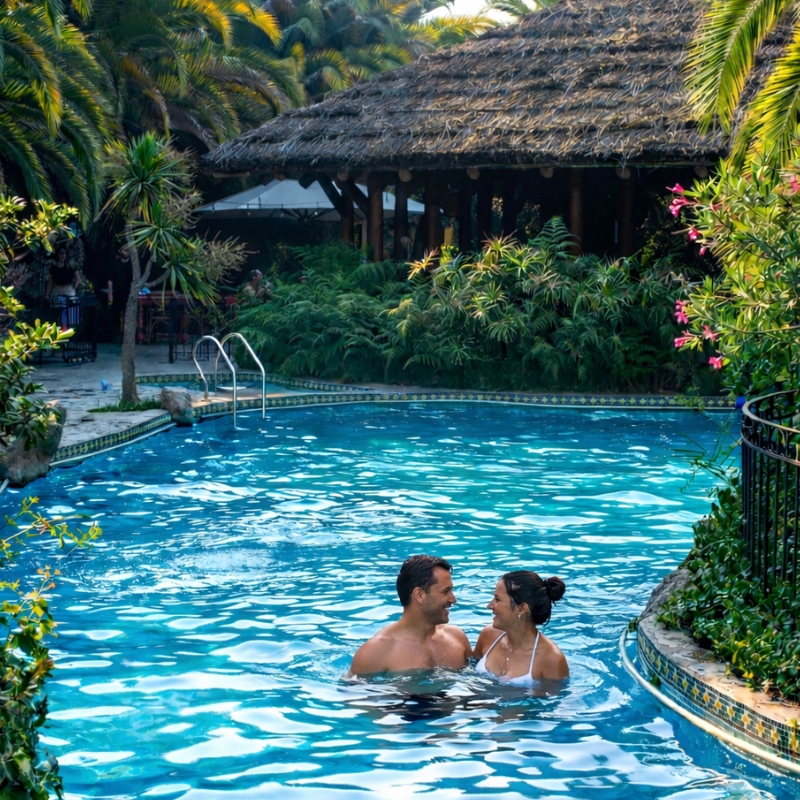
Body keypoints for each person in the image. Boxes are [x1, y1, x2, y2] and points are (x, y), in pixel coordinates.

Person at [348, 555, 472, 677]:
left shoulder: (457, 638)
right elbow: (354, 689)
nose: (453, 599)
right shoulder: (376, 652)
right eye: (445, 591)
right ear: (420, 595)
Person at [473, 570, 569, 687]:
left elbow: (556, 697)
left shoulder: (551, 658)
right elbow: (468, 674)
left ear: (522, 608)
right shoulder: (489, 636)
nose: (489, 605)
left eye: (497, 599)